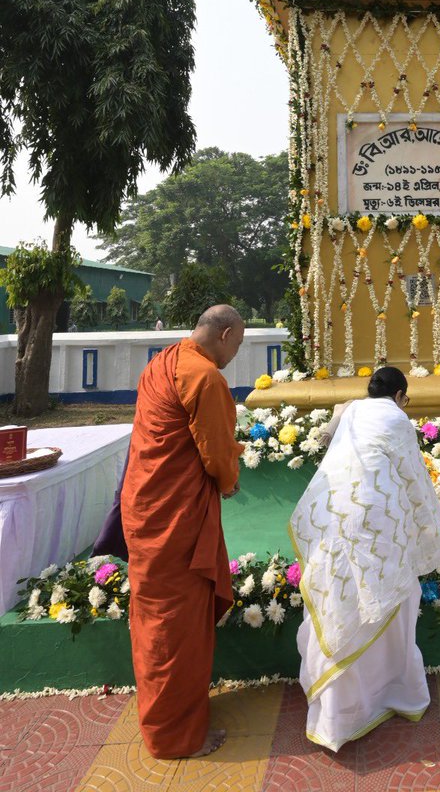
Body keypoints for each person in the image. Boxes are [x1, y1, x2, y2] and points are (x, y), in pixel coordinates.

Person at [289, 365, 440, 751]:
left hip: (334, 517)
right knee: (387, 604)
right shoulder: (397, 419)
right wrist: (430, 528)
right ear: (399, 396)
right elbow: (414, 479)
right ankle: (391, 695)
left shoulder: (353, 410)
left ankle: (336, 713)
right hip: (379, 527)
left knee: (338, 602)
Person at [120, 304, 245, 759]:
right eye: (238, 345)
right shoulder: (205, 376)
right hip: (174, 519)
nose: (234, 354)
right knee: (176, 626)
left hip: (145, 506)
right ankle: (175, 737)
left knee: (156, 619)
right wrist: (228, 482)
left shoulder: (163, 362)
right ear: (225, 334)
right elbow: (216, 451)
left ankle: (169, 717)